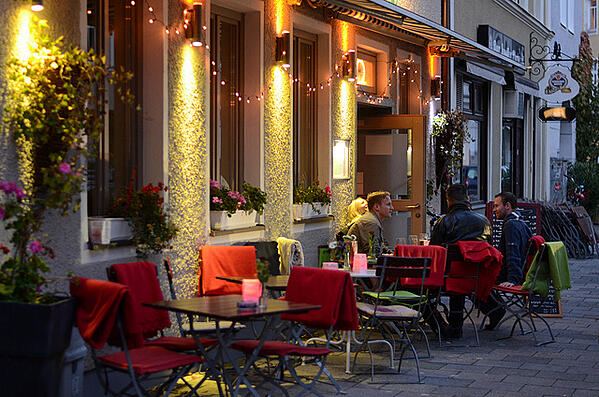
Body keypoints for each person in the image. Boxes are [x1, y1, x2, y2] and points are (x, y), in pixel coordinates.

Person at [429, 183, 492, 338]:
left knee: (448, 276)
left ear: (448, 201)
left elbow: (433, 252)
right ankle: (493, 309)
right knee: (461, 273)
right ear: (467, 199)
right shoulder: (484, 221)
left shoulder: (444, 222)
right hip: (478, 276)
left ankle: (442, 326)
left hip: (448, 278)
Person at [478, 192, 533, 329]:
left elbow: (512, 252)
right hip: (522, 271)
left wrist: (513, 279)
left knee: (472, 281)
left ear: (507, 206)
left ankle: (496, 311)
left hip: (512, 275)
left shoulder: (511, 225)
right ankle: (496, 309)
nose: (494, 209)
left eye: (497, 206)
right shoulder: (519, 221)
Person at [347, 191, 393, 257]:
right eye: (388, 204)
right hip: (359, 265)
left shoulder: (372, 220)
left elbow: (379, 248)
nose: (392, 208)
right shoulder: (370, 222)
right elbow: (372, 254)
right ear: (377, 207)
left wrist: (393, 254)